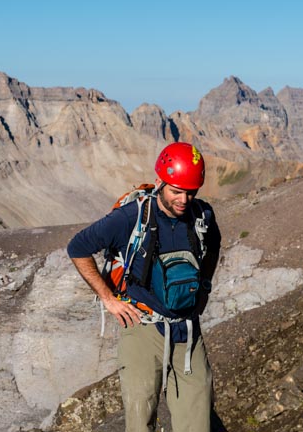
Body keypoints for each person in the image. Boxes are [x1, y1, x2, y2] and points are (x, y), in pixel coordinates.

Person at [67, 142, 221, 432]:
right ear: (160, 181)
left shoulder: (202, 216)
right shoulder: (130, 218)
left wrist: (205, 287)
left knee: (198, 423)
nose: (184, 200)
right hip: (142, 325)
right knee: (140, 422)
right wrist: (108, 299)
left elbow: (213, 247)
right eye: (176, 191)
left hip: (187, 331)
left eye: (191, 192)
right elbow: (78, 247)